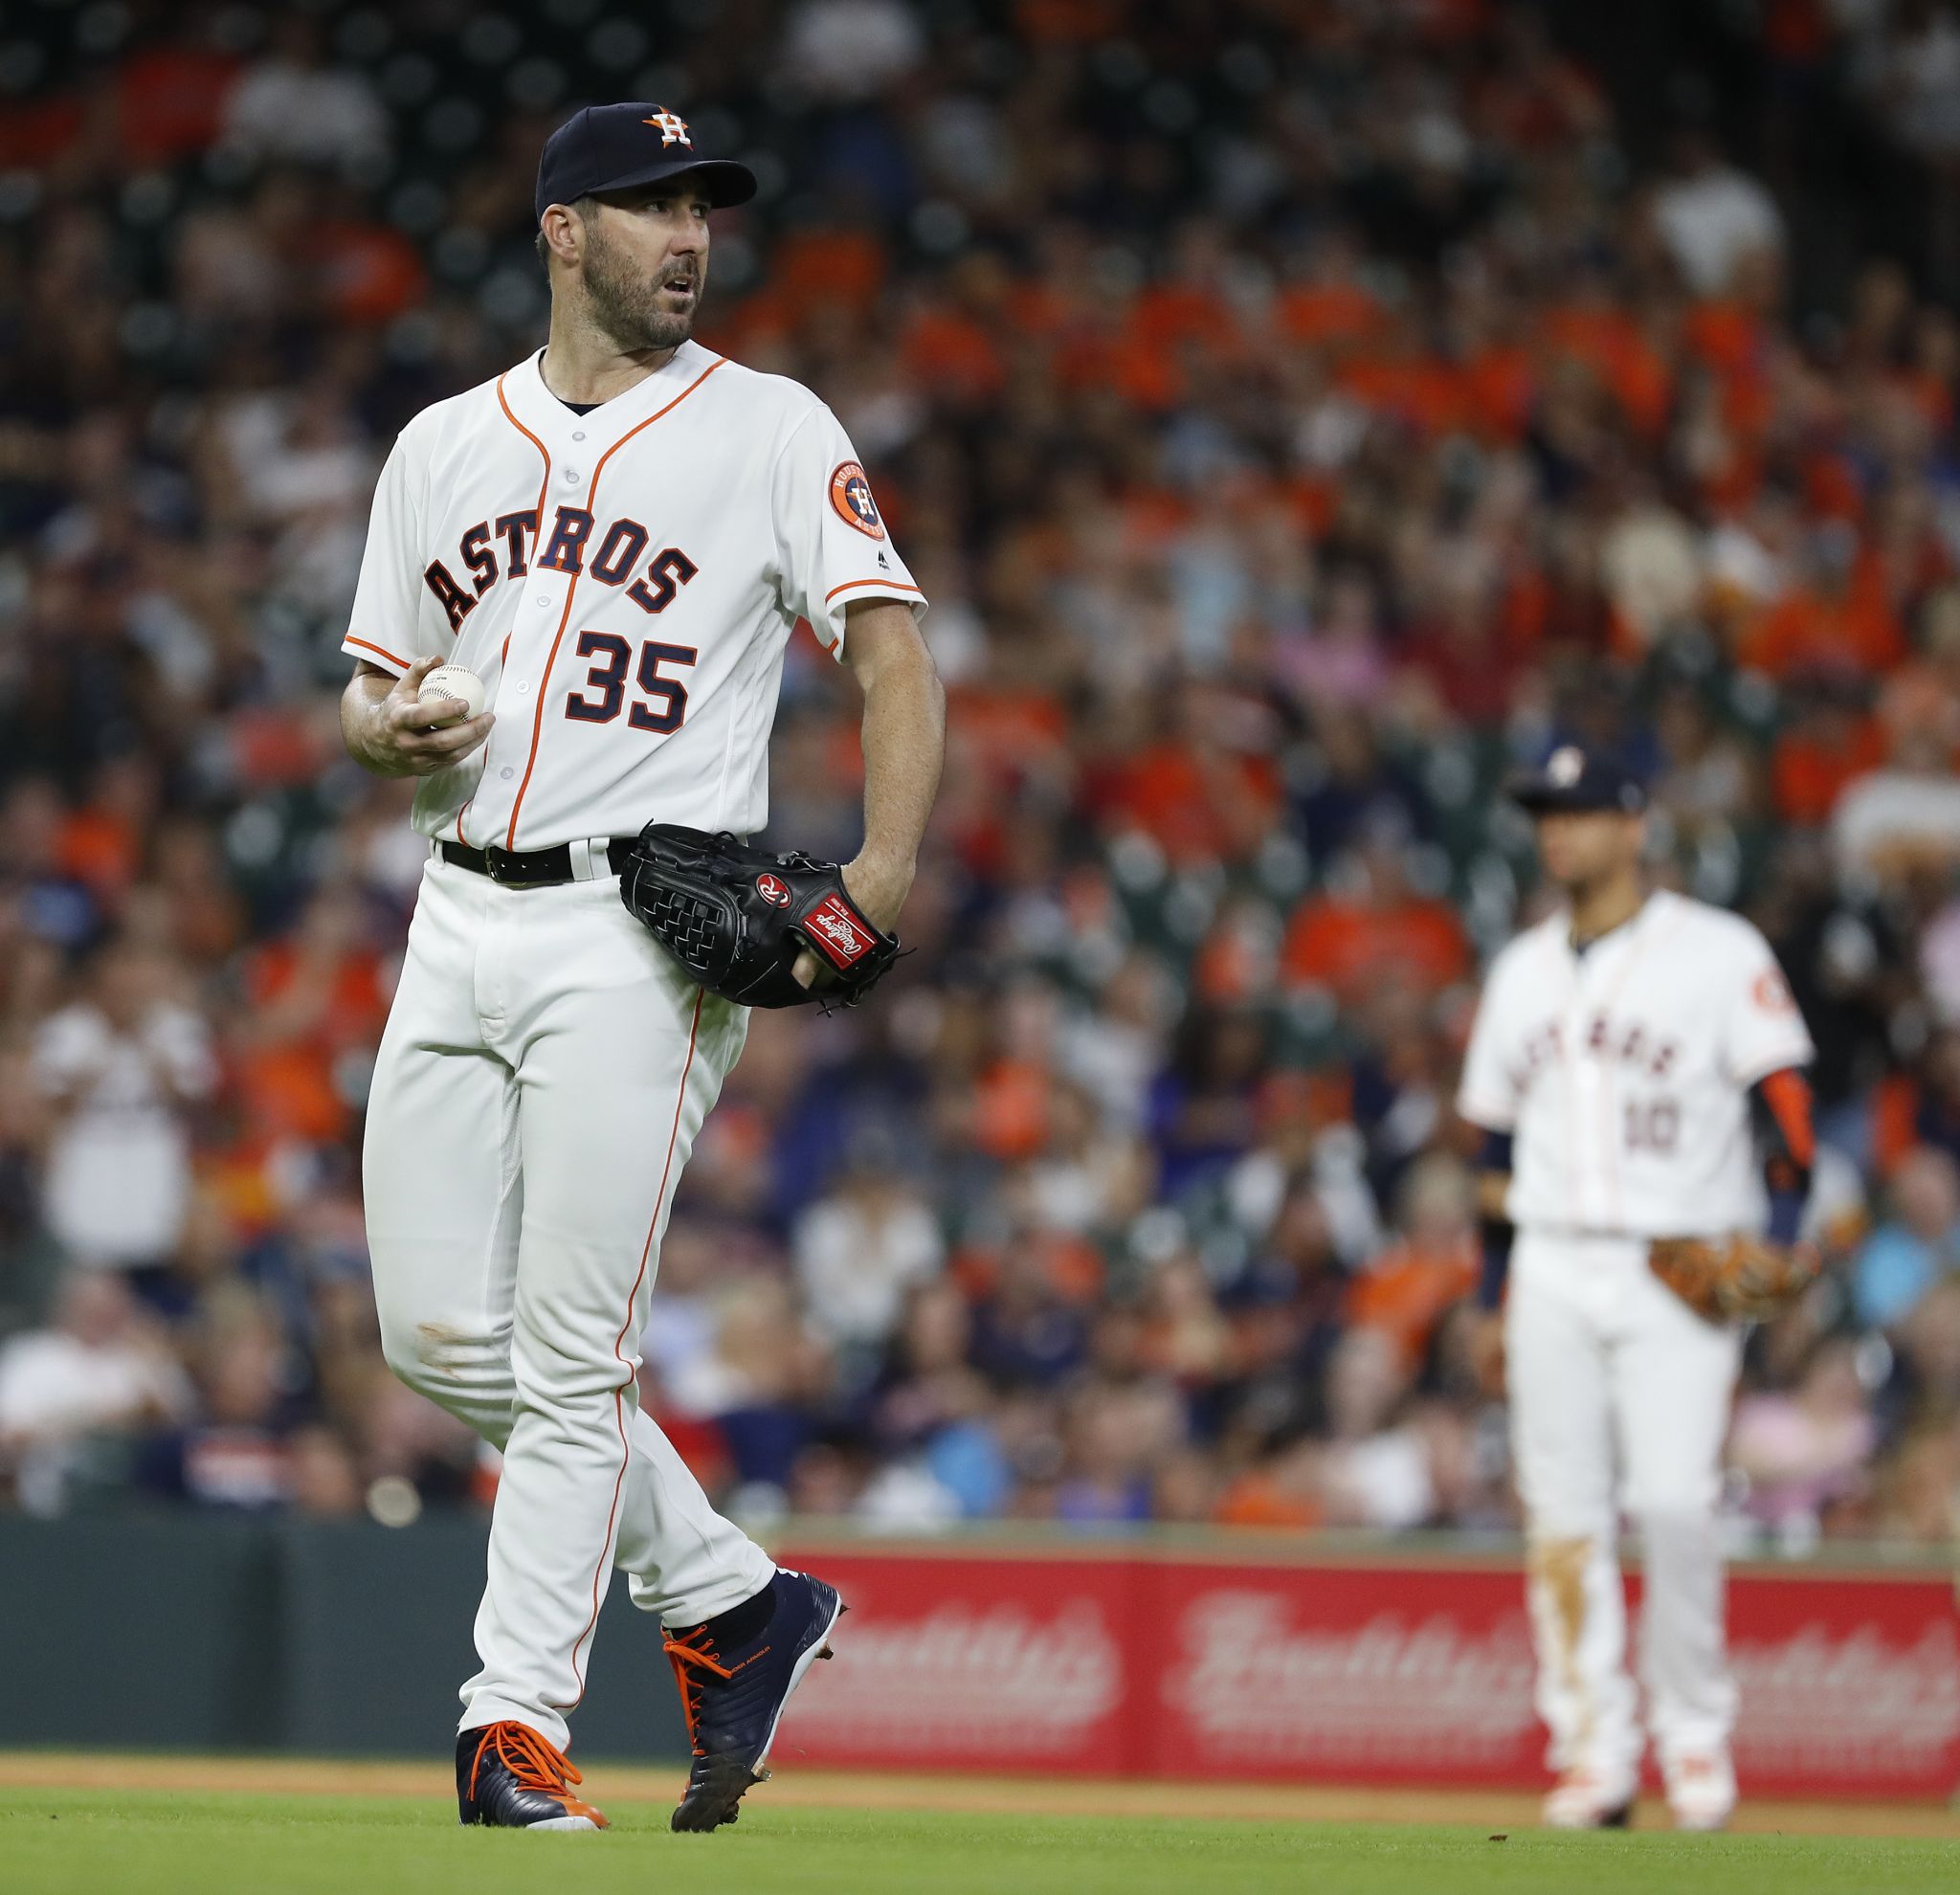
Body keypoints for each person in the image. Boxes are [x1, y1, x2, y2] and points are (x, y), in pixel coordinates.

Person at [337, 102, 944, 1833]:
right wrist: (395, 729)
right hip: (454, 910)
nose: (686, 234)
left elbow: (893, 660)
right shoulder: (444, 444)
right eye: (648, 204)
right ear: (561, 231)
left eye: (703, 208)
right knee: (435, 1333)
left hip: (638, 931)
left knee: (569, 1347)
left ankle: (509, 1726)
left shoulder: (767, 425)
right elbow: (371, 695)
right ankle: (738, 1604)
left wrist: (876, 878)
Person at [1457, 747, 1815, 1832]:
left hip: (1681, 1265)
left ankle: (1693, 1741)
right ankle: (1591, 1754)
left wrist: (1783, 1241)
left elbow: (1786, 1111)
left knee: (1670, 1505)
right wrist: (1490, 1294)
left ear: (1633, 825)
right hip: (1553, 1258)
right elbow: (1488, 1149)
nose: (1555, 831)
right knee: (1560, 1519)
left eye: (1576, 811)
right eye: (1543, 813)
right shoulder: (1520, 967)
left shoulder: (1716, 952)